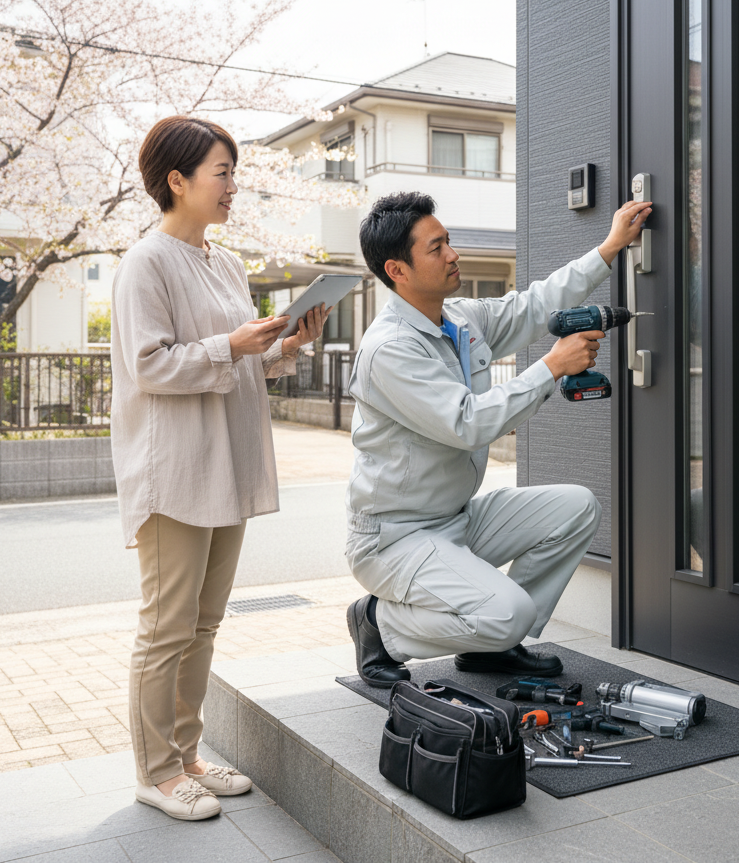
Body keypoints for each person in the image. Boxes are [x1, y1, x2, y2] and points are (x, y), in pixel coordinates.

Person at [111, 116, 328, 820]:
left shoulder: (225, 263)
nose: (233, 186)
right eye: (222, 173)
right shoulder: (145, 261)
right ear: (177, 181)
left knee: (203, 624)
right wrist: (231, 345)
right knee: (166, 626)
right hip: (174, 470)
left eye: (234, 172)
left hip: (223, 467)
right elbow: (149, 367)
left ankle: (186, 756)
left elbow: (239, 360)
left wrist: (285, 344)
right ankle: (155, 770)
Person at [345, 191, 652, 686]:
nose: (452, 255)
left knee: (576, 507)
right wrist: (552, 366)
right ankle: (380, 624)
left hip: (454, 519)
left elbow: (536, 305)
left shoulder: (459, 319)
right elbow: (468, 423)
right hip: (395, 538)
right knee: (509, 613)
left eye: (449, 242)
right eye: (436, 247)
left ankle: (491, 647)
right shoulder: (390, 350)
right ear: (397, 270)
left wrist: (611, 246)